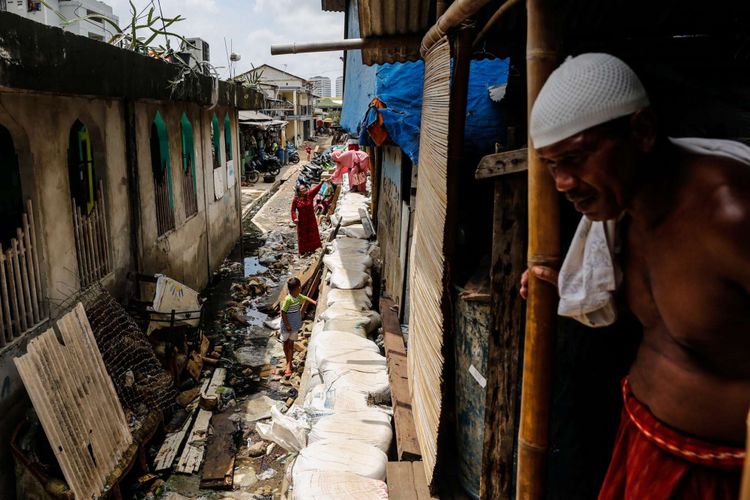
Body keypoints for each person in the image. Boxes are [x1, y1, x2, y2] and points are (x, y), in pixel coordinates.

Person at [519, 53, 750, 498]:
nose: (563, 182)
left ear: (641, 131)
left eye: (577, 157)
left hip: (721, 476)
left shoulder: (730, 217)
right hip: (641, 441)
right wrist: (559, 283)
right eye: (551, 165)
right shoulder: (620, 217)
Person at [280, 277, 316, 378]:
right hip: (286, 326)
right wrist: (287, 325)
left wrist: (314, 302)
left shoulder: (298, 296)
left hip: (294, 325)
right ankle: (288, 361)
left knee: (291, 343)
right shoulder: (288, 299)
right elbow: (283, 312)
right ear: (298, 287)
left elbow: (305, 298)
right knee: (285, 342)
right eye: (299, 288)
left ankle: (289, 364)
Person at [291, 181, 323, 255]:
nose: (304, 190)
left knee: (312, 234)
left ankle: (313, 249)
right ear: (298, 191)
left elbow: (316, 189)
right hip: (302, 220)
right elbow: (293, 210)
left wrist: (322, 182)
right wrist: (294, 218)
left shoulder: (310, 195)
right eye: (302, 189)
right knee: (303, 236)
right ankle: (303, 251)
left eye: (304, 188)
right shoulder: (296, 200)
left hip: (311, 219)